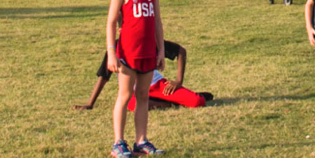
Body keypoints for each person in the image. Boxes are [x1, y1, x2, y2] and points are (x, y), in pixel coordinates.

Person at [105, 0, 166, 158]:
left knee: (143, 96)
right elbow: (111, 22)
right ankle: (118, 142)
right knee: (125, 95)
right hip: (128, 54)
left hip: (148, 52)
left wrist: (161, 50)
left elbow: (157, 22)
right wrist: (111, 52)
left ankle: (141, 140)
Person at [73, 39, 211, 111]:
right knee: (132, 105)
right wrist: (90, 104)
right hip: (134, 91)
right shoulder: (115, 48)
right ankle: (169, 103)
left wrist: (178, 81)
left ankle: (182, 97)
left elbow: (180, 51)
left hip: (156, 85)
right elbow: (104, 76)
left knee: (198, 102)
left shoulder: (147, 41)